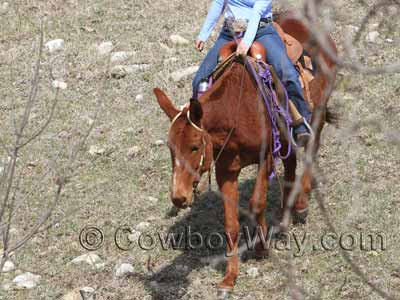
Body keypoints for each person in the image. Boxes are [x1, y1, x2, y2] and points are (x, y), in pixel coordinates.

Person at [192, 0, 312, 145]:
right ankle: (197, 126)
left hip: (261, 31)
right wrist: (203, 34)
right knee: (199, 80)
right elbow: (218, 3)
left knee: (288, 74)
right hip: (229, 32)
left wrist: (246, 42)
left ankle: (300, 122)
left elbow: (257, 12)